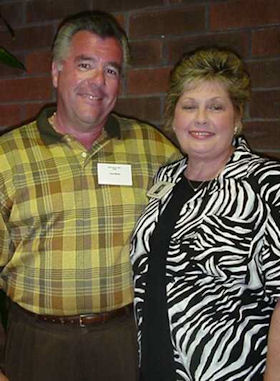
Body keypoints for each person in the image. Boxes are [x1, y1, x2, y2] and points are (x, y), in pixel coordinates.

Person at [0, 10, 180, 381]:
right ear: (56, 72)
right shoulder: (6, 158)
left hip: (124, 340)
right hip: (36, 344)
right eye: (86, 65)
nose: (97, 81)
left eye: (111, 70)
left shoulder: (154, 149)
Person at [131, 47, 280, 380]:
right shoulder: (165, 179)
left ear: (237, 118)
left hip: (230, 370)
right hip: (157, 365)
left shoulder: (267, 184)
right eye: (189, 106)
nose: (200, 118)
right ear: (174, 116)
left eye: (216, 107)